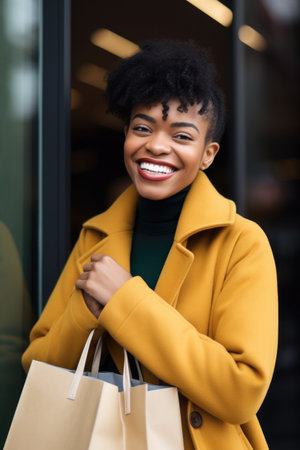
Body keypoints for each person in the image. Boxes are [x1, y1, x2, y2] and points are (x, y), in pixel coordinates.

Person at [22, 40, 278, 449]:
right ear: (125, 135)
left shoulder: (241, 243)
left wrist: (124, 302)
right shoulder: (97, 235)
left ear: (207, 154)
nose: (156, 146)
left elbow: (241, 392)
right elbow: (37, 367)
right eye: (142, 128)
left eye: (181, 135)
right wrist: (85, 313)